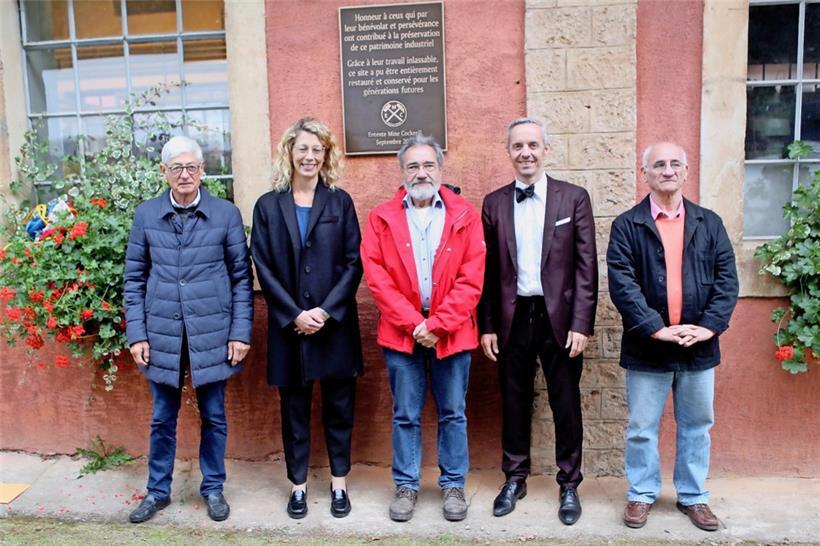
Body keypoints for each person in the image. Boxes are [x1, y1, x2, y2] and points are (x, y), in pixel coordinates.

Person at [607, 142, 738, 531]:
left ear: (686, 171)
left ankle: (694, 496)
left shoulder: (709, 223)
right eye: (659, 164)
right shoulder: (627, 225)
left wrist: (709, 326)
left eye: (675, 164)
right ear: (644, 174)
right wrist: (655, 328)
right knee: (641, 428)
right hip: (648, 346)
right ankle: (641, 493)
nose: (667, 170)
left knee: (697, 425)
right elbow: (622, 283)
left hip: (699, 345)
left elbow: (727, 280)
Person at [124, 135, 253, 523]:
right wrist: (137, 334)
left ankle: (213, 488)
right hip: (162, 332)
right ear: (164, 172)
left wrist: (240, 332)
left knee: (214, 415)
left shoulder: (225, 214)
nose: (184, 174)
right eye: (176, 168)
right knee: (162, 417)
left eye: (191, 167)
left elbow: (241, 278)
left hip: (212, 331)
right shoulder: (147, 215)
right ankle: (157, 491)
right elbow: (134, 278)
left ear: (202, 171)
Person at [478, 117, 597, 525]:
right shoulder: (493, 203)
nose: (525, 152)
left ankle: (569, 483)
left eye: (532, 145)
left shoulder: (574, 198)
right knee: (513, 401)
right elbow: (487, 271)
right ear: (508, 151)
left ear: (546, 149)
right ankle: (515, 478)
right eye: (518, 146)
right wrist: (487, 324)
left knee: (566, 401)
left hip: (559, 318)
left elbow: (586, 267)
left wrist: (581, 323)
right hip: (512, 317)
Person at [361, 133, 485, 522]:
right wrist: (416, 324)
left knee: (453, 413)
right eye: (413, 166)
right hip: (403, 333)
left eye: (428, 164)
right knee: (405, 414)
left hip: (453, 332)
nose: (421, 173)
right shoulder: (381, 217)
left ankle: (453, 485)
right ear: (402, 171)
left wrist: (439, 324)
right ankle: (406, 486)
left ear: (440, 169)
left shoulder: (465, 214)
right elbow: (377, 278)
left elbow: (472, 279)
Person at [251, 118, 363, 519]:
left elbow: (353, 263)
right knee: (294, 410)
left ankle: (339, 483)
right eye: (303, 148)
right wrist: (294, 313)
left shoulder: (340, 202)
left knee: (339, 409)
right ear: (289, 152)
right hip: (290, 328)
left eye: (317, 149)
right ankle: (298, 486)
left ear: (326, 155)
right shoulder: (268, 206)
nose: (310, 156)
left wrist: (325, 310)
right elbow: (263, 264)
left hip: (334, 326)